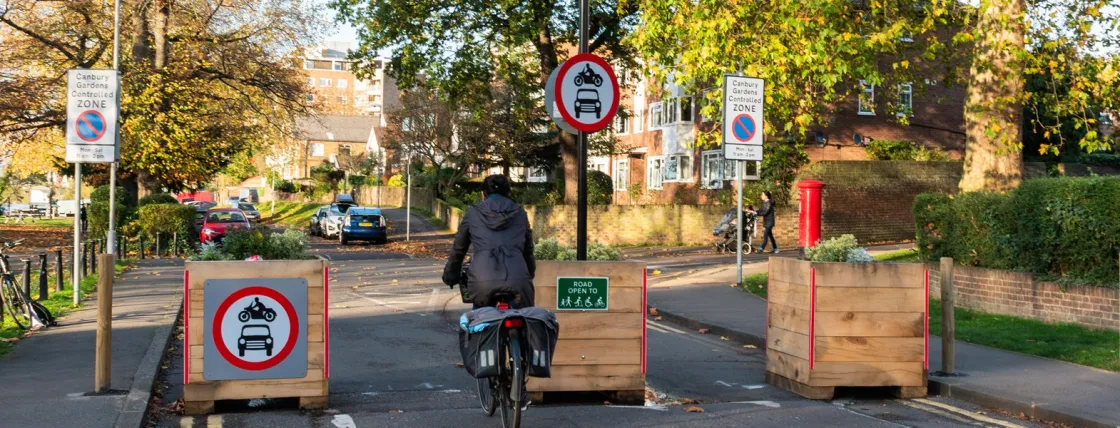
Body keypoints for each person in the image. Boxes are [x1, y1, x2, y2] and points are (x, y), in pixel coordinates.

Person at [442, 174, 536, 308]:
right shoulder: (520, 213)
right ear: (508, 193)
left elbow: (459, 249)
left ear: (483, 194)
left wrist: (451, 275)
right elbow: (528, 250)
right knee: (523, 316)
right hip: (518, 281)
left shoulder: (473, 212)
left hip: (482, 281)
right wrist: (529, 274)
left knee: (480, 318)